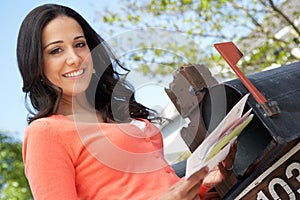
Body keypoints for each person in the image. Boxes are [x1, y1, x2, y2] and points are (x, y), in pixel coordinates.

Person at [17, 4, 236, 199]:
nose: (74, 58)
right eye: (56, 50)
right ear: (36, 63)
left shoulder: (115, 113)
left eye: (80, 44)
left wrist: (204, 181)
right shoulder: (45, 133)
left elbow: (148, 188)